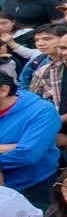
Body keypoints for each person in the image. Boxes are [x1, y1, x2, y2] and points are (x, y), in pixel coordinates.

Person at [0, 66, 61, 207]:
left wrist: (17, 149)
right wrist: (10, 147)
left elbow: (28, 155)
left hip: (31, 189)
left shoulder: (42, 111)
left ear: (3, 91)